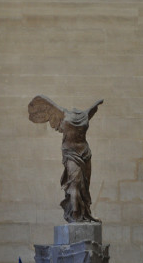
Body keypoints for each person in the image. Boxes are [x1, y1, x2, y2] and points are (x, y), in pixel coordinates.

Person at [28, 95, 104, 223]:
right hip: (75, 153)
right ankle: (76, 215)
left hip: (82, 152)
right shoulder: (76, 116)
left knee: (83, 186)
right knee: (76, 185)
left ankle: (84, 213)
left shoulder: (72, 117)